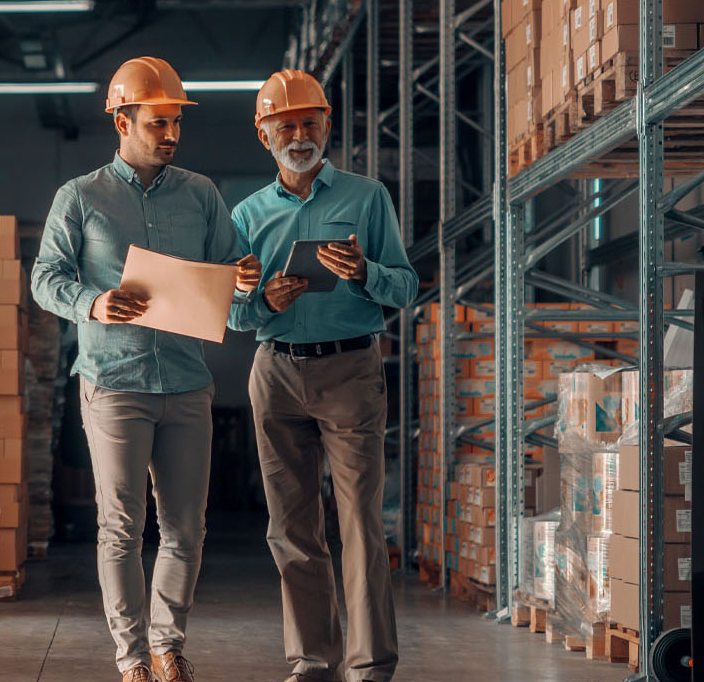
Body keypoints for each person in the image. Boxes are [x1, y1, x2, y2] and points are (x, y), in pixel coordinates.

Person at [32, 56, 261, 682]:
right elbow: (44, 280)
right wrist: (95, 302)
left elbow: (231, 282)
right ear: (122, 119)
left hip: (187, 382)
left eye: (175, 124)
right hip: (113, 381)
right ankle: (131, 657)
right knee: (121, 527)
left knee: (187, 528)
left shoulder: (202, 195)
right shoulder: (79, 197)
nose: (170, 134)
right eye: (158, 122)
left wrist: (244, 279)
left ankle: (168, 645)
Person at [228, 69, 419, 682]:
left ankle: (369, 667)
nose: (300, 134)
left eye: (311, 122)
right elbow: (231, 310)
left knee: (360, 524)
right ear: (264, 136)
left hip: (350, 371)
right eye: (285, 125)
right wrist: (265, 303)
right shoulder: (247, 214)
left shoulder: (367, 198)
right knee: (290, 527)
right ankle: (313, 661)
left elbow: (407, 285)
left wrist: (364, 272)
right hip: (276, 372)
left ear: (327, 125)